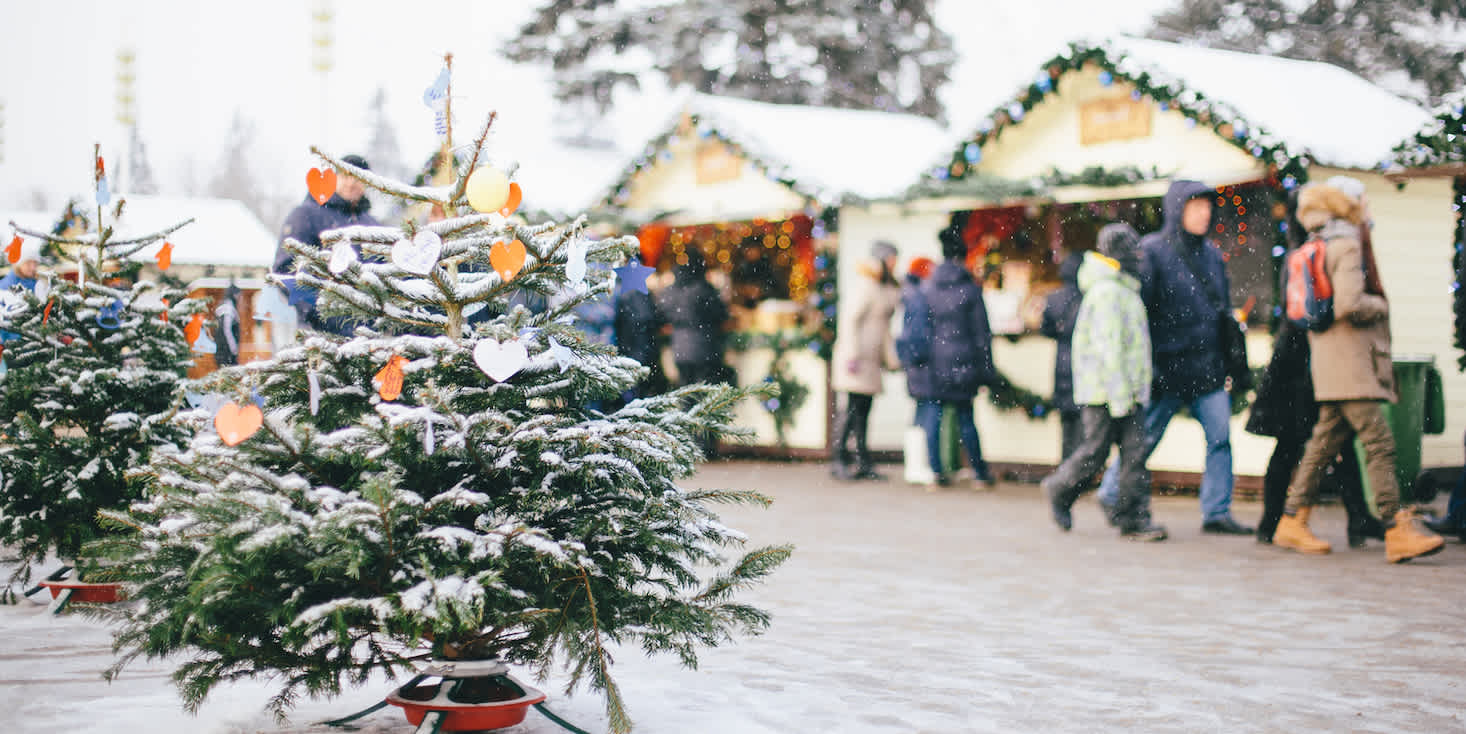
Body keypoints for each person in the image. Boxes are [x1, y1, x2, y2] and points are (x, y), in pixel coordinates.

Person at [1272, 177, 1444, 562]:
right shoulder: (1346, 245)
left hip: (1329, 362)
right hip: (1351, 363)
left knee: (1322, 445)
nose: (1367, 205)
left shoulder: (1315, 244)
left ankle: (1291, 520)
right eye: (1362, 199)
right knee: (1379, 443)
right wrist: (1381, 306)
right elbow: (1349, 303)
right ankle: (1396, 527)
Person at [1095, 180, 1253, 535]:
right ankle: (1111, 491)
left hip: (1208, 365)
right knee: (1145, 439)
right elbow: (1142, 311)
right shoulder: (1152, 250)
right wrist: (1150, 362)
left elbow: (1221, 307)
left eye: (1207, 206)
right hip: (1167, 367)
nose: (1204, 213)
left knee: (1220, 439)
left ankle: (1216, 512)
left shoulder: (1212, 254)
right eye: (1195, 206)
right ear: (1177, 208)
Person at [1245, 190, 1383, 547]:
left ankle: (1286, 520)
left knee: (1327, 440)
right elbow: (1313, 311)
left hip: (1300, 357)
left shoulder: (1305, 248)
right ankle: (1280, 520)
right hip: (1300, 360)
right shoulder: (1310, 252)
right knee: (1313, 443)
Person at [1042, 224, 1165, 540]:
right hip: (1108, 392)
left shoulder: (1121, 288)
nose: (1139, 257)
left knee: (1131, 453)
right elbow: (1110, 349)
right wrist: (1122, 395)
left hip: (1121, 391)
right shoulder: (1110, 292)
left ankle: (1132, 516)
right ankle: (1060, 489)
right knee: (1098, 452)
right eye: (1134, 250)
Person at [915, 224, 996, 487]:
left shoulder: (928, 289)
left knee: (934, 416)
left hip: (936, 361)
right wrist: (987, 369)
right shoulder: (971, 290)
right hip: (965, 360)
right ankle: (979, 473)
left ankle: (936, 472)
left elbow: (922, 329)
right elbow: (982, 334)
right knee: (966, 417)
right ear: (962, 257)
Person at [273, 154, 380, 334]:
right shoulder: (307, 215)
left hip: (368, 334)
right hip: (319, 333)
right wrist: (322, 313)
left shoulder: (372, 225)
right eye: (346, 176)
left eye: (359, 178)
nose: (352, 182)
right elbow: (287, 269)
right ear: (334, 178)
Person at [829, 240, 903, 481]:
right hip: (857, 359)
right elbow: (850, 320)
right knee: (850, 410)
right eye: (892, 258)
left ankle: (862, 460)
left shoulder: (885, 285)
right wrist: (851, 354)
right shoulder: (866, 286)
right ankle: (838, 459)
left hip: (871, 360)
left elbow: (884, 327)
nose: (894, 263)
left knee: (863, 411)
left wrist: (890, 359)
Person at [1041, 249, 1085, 462]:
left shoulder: (1053, 298)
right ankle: (1079, 469)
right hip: (1083, 363)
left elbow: (1046, 329)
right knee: (1084, 422)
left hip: (1062, 361)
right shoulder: (1089, 297)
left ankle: (1066, 466)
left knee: (1066, 421)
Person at [614, 277, 668, 404]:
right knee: (638, 387)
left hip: (629, 345)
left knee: (631, 386)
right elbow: (646, 318)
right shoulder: (637, 293)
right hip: (638, 346)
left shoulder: (619, 292)